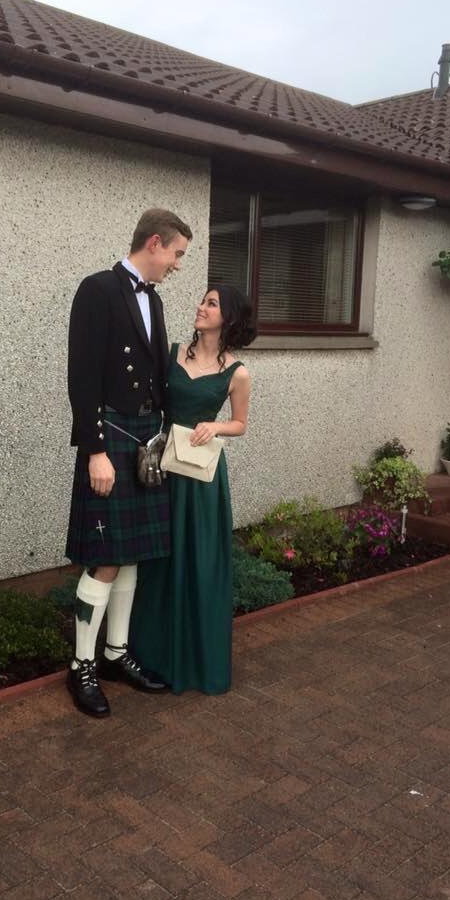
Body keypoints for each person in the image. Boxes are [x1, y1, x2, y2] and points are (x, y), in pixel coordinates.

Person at [65, 208, 193, 718]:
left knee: (133, 554)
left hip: (145, 437)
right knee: (106, 557)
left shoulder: (153, 299)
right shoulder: (97, 289)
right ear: (155, 243)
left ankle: (116, 654)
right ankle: (82, 665)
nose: (178, 264)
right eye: (177, 254)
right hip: (112, 439)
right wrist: (95, 450)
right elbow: (82, 377)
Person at [130, 285, 256, 695]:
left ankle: (195, 661)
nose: (201, 307)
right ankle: (149, 658)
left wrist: (215, 426)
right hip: (164, 470)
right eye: (203, 300)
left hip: (201, 480)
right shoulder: (172, 353)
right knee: (159, 563)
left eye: (211, 303)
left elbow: (240, 424)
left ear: (228, 318)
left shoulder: (237, 373)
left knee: (198, 563)